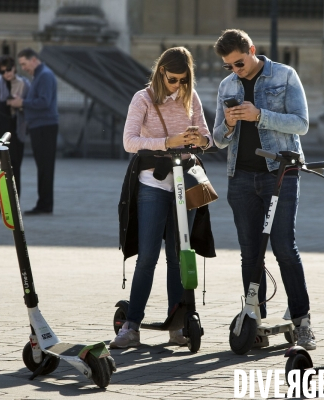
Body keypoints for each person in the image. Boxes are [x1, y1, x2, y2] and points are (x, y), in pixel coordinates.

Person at [212, 29, 316, 350]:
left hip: (280, 172)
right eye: (229, 66)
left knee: (284, 247)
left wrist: (260, 116)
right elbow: (218, 139)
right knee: (249, 252)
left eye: (239, 63)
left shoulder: (284, 75)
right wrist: (229, 124)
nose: (236, 71)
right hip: (240, 177)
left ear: (252, 50)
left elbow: (301, 123)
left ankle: (302, 323)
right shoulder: (226, 86)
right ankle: (254, 321)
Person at [112, 47, 214, 348]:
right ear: (161, 74)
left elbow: (207, 138)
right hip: (153, 184)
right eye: (173, 80)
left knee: (179, 257)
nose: (178, 86)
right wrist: (166, 142)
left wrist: (200, 140)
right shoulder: (142, 99)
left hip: (187, 183)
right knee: (148, 257)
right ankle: (131, 325)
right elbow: (129, 142)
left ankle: (177, 324)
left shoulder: (190, 97)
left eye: (184, 80)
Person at [8, 48, 59, 215]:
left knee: (45, 167)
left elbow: (44, 102)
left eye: (24, 63)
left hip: (44, 126)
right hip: (40, 126)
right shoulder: (40, 74)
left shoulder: (44, 75)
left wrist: (22, 103)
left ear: (34, 60)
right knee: (43, 166)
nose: (23, 68)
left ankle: (44, 205)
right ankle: (44, 203)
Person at [0, 55, 30, 213]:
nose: (7, 74)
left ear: (14, 68)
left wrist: (17, 104)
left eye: (9, 70)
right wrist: (9, 103)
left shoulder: (24, 84)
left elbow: (27, 106)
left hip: (15, 131)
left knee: (14, 168)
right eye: (3, 72)